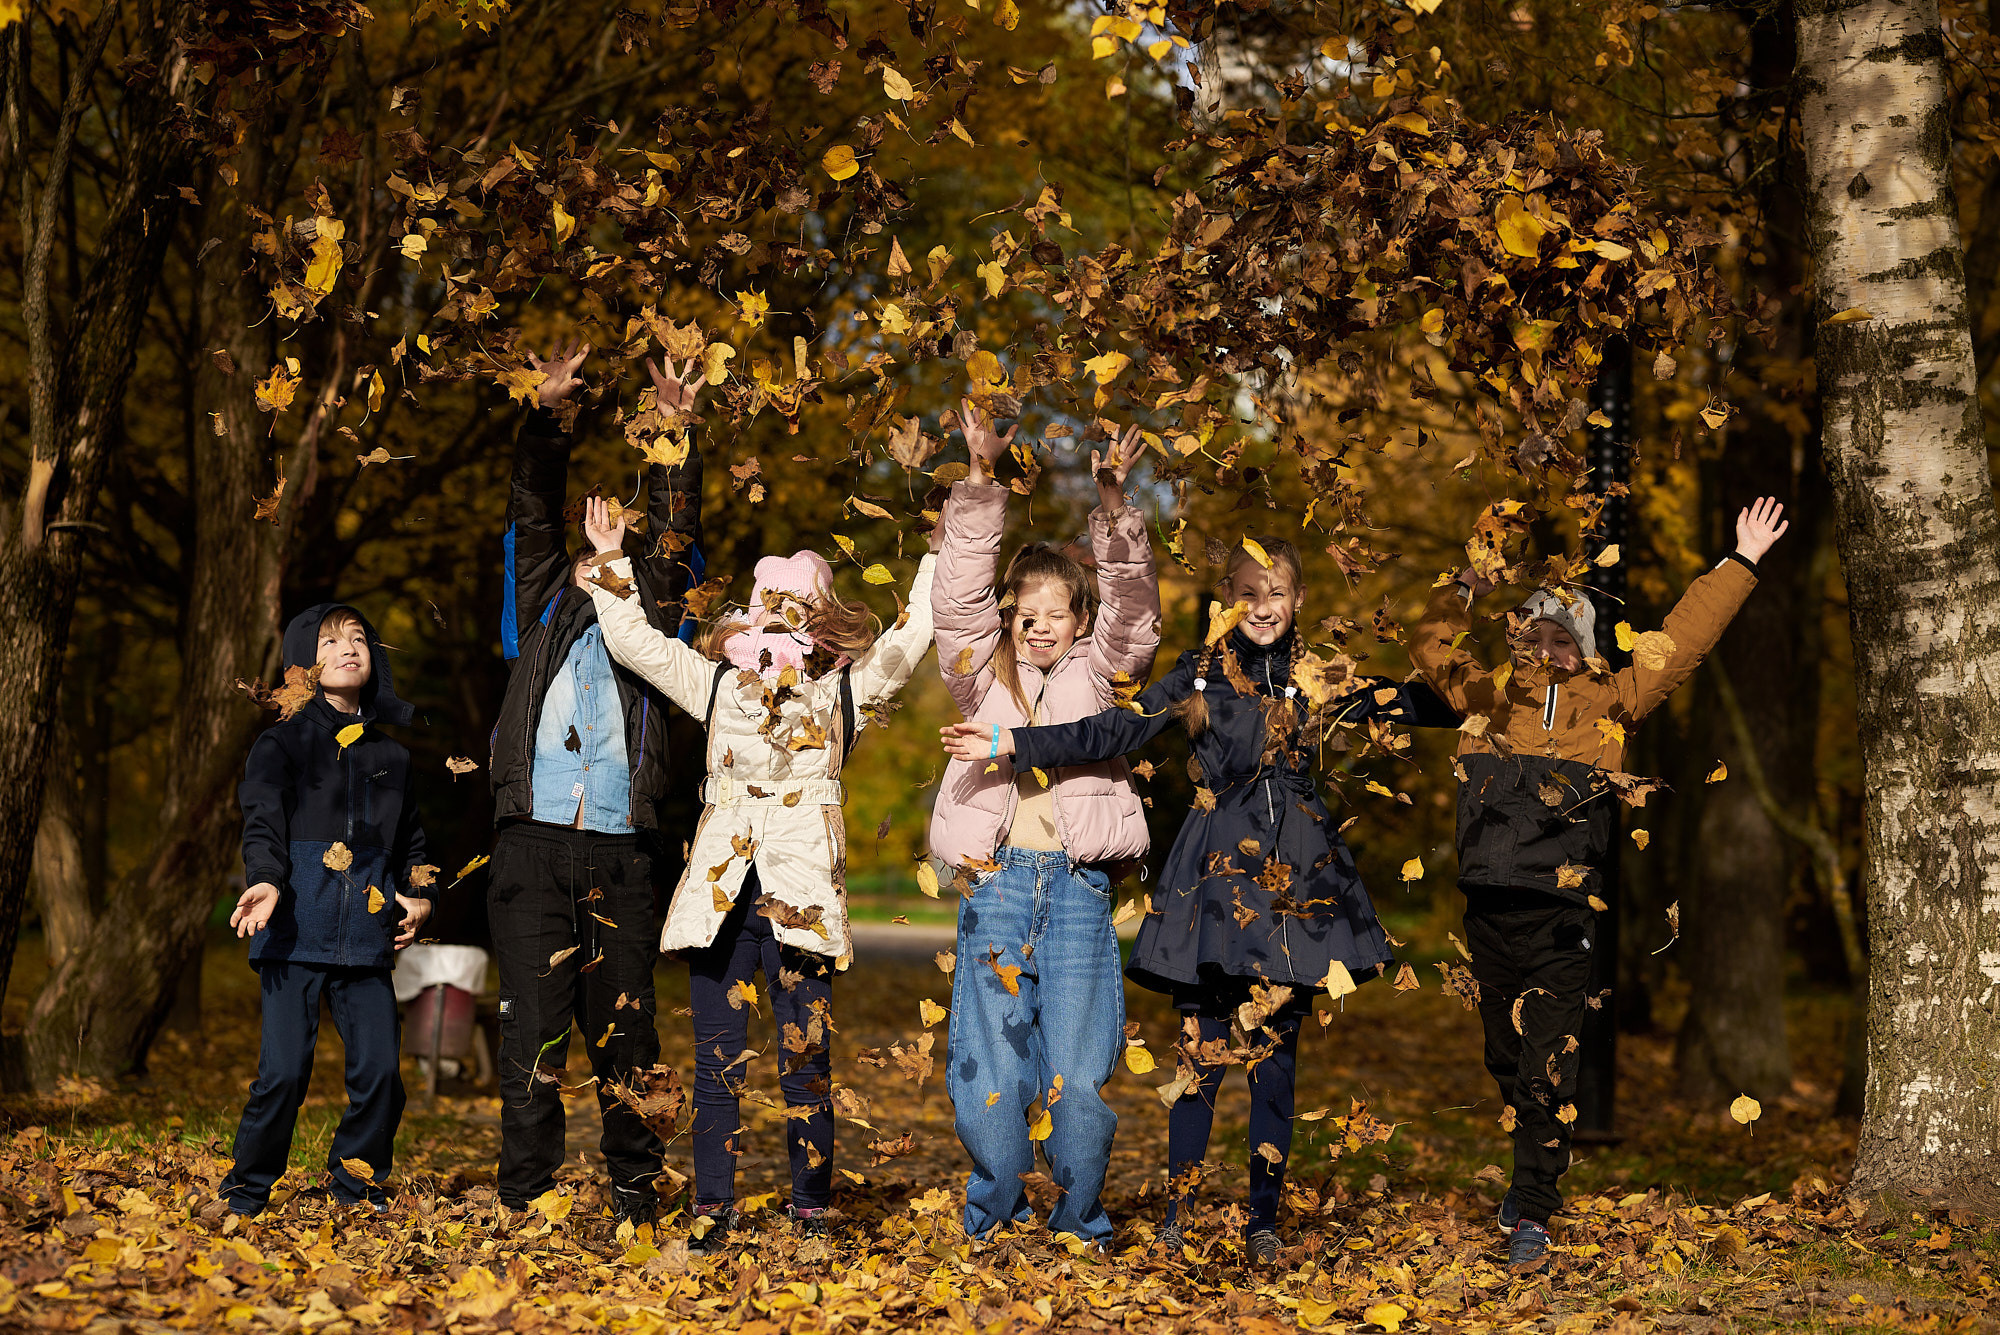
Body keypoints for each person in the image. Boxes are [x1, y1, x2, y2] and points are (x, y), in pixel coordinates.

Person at [941, 538, 1448, 1265]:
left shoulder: (1322, 676)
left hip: (1297, 881)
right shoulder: (1198, 675)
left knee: (1276, 1055)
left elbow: (1432, 701)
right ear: (1226, 599)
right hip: (1212, 881)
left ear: (1299, 600)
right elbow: (1114, 729)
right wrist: (1015, 740)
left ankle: (1263, 1218)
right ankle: (1179, 1208)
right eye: (1247, 590)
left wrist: (1470, 653)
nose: (1263, 605)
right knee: (1201, 1052)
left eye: (1276, 591)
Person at [1409, 496, 1791, 1271]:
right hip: (1490, 899)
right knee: (1505, 1054)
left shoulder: (1614, 702)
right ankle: (1531, 1158)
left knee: (1549, 1061)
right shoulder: (1488, 700)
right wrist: (1466, 581)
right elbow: (1434, 644)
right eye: (1536, 635)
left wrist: (1741, 560)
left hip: (1564, 909)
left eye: (1564, 638)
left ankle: (1534, 1209)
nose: (1549, 648)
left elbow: (1680, 642)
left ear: (1584, 648)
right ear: (1518, 640)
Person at [578, 494, 936, 1251]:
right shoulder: (714, 685)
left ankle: (810, 1205)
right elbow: (638, 643)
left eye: (792, 612)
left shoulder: (840, 694)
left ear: (815, 627)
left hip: (799, 897)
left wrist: (948, 547)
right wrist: (611, 559)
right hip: (722, 897)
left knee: (805, 1056)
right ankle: (714, 1205)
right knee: (716, 1062)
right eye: (762, 609)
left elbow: (909, 641)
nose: (772, 625)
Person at [929, 400, 1160, 1249]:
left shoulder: (1102, 679)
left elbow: (1133, 615)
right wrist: (981, 483)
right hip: (996, 888)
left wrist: (1114, 512)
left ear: (1079, 621)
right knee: (986, 1072)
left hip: (1075, 890)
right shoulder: (978, 678)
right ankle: (991, 1210)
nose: (1034, 622)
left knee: (1079, 1074)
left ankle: (1079, 1217)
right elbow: (955, 604)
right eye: (1021, 610)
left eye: (1053, 610)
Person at [485, 341, 706, 1226]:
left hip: (621, 849)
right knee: (532, 1029)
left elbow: (675, 541)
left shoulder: (648, 620)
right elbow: (533, 512)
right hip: (532, 841)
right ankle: (525, 1194)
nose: (594, 567)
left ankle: (632, 1192)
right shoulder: (539, 603)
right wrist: (545, 417)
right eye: (583, 558)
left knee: (628, 1036)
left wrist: (675, 438)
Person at [222, 603, 434, 1216]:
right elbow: (261, 822)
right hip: (292, 928)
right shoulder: (280, 744)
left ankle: (354, 1188)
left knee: (381, 1076)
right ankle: (245, 1191)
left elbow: (414, 847)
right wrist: (265, 880)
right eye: (331, 640)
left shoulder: (393, 758)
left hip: (367, 941)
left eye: (360, 639)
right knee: (284, 1075)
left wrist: (421, 898)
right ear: (303, 664)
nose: (349, 648)